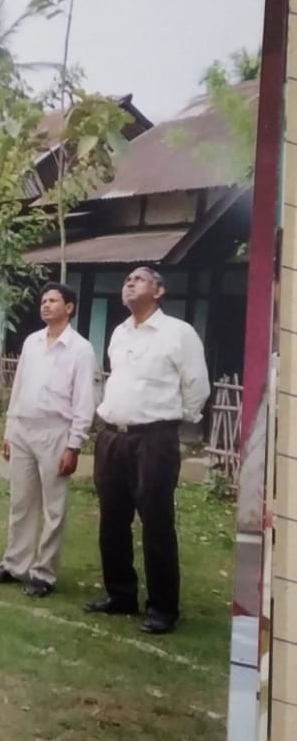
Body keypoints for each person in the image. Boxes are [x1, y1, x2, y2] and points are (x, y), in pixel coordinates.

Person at [87, 266, 209, 635]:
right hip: (112, 437)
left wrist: (171, 422)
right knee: (112, 520)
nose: (129, 283)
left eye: (138, 279)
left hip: (154, 439)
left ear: (158, 291)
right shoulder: (119, 332)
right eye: (126, 280)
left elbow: (196, 386)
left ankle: (162, 607)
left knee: (156, 521)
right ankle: (120, 594)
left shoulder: (178, 333)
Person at [0, 282, 95, 597]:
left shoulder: (80, 349)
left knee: (53, 507)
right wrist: (9, 430)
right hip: (23, 427)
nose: (45, 305)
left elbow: (84, 400)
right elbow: (18, 388)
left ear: (69, 307)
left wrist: (74, 445)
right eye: (43, 300)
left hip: (55, 431)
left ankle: (44, 573)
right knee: (21, 502)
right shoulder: (32, 342)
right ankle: (15, 564)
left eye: (53, 300)